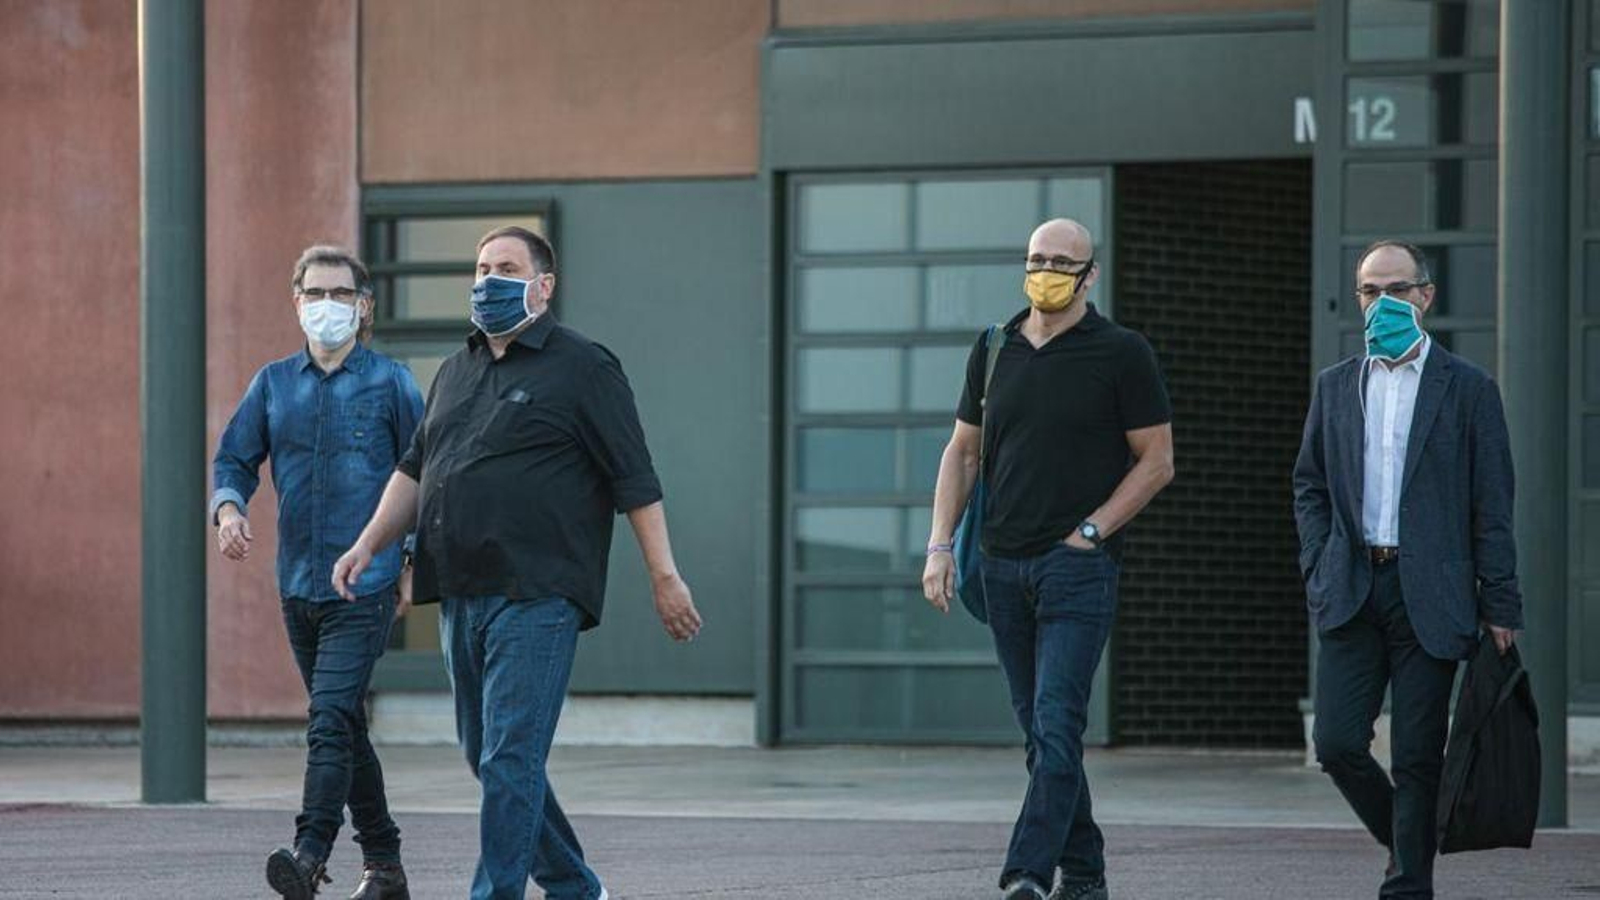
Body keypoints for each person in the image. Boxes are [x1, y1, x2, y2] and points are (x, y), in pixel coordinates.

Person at [331, 225, 702, 900]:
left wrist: (664, 576)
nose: (487, 279)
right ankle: (574, 888)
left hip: (540, 592)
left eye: (505, 267)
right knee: (491, 756)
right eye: (480, 267)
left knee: (509, 755)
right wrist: (369, 543)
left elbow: (635, 479)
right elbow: (417, 469)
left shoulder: (584, 367)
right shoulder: (454, 370)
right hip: (462, 590)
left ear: (543, 285)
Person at [922, 219, 1175, 900]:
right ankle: (1086, 875)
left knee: (1058, 722)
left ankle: (1028, 874)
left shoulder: (1121, 353)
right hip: (1001, 566)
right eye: (1037, 259)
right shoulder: (995, 346)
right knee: (1040, 734)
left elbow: (1157, 461)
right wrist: (940, 545)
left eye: (1063, 262)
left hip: (1077, 569)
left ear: (1089, 275)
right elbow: (963, 452)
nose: (1047, 271)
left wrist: (1092, 533)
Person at [1292, 240, 1522, 898]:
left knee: (1420, 753)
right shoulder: (1336, 387)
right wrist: (1318, 563)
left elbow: (1493, 506)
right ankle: (1410, 838)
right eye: (1370, 291)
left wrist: (1501, 605)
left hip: (1433, 592)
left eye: (1397, 289)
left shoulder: (1470, 390)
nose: (1382, 302)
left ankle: (1407, 884)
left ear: (1426, 296)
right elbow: (1308, 485)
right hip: (1352, 587)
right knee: (1337, 742)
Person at [212, 245, 424, 900]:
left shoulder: (392, 383)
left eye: (340, 293)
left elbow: (424, 476)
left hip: (366, 583)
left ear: (364, 306)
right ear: (296, 301)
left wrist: (412, 563)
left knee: (328, 716)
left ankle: (309, 854)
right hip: (295, 584)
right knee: (345, 723)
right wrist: (228, 512)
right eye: (314, 293)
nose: (326, 305)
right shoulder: (273, 384)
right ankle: (385, 866)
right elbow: (233, 460)